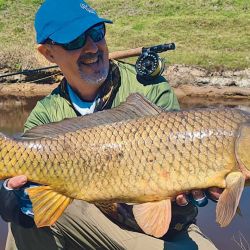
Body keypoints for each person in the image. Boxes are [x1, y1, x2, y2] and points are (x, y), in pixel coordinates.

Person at [0, 0, 222, 249]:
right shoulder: (45, 115)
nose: (93, 47)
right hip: (85, 223)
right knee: (22, 223)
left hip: (155, 230)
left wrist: (188, 193)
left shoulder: (150, 89)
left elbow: (167, 202)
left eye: (97, 33)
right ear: (48, 53)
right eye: (75, 40)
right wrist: (9, 193)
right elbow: (28, 198)